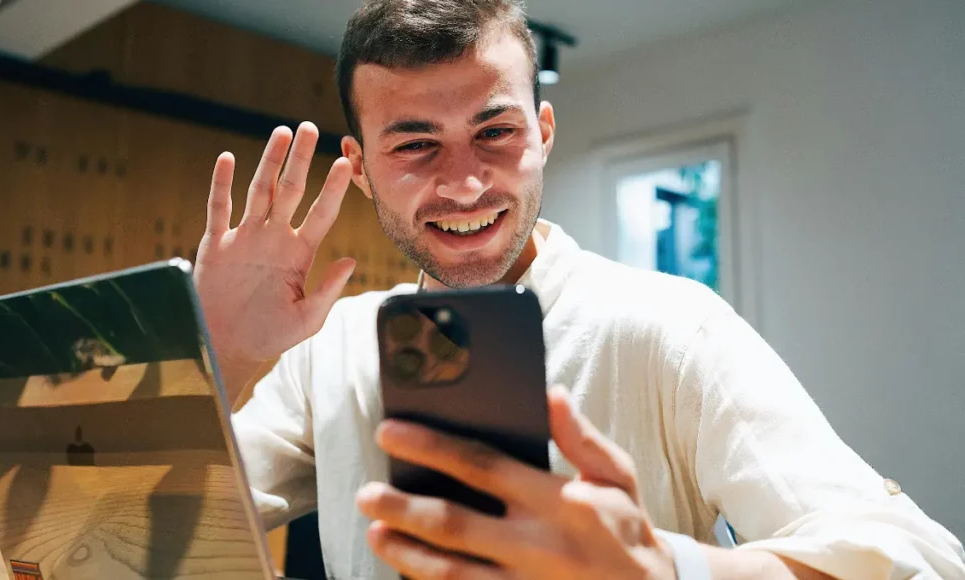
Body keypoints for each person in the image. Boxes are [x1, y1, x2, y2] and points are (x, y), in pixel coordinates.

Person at [193, 1, 965, 578]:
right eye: (417, 145)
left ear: (544, 133)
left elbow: (921, 559)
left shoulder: (671, 326)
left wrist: (670, 570)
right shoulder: (325, 349)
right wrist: (216, 356)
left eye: (495, 132)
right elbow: (119, 549)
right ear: (359, 168)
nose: (464, 185)